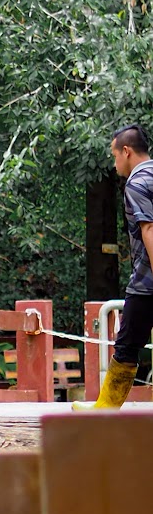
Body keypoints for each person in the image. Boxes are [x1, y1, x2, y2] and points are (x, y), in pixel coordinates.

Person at [75, 122, 153, 410]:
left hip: (148, 283)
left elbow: (148, 230)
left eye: (115, 155)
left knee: (127, 346)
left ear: (127, 151)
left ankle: (105, 409)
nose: (115, 163)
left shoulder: (136, 182)